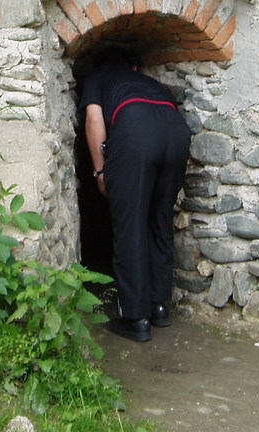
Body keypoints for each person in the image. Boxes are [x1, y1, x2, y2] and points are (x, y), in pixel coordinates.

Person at [79, 45, 191, 342]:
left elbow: (94, 120)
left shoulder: (97, 77)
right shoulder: (149, 83)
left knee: (131, 225)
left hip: (137, 131)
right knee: (159, 219)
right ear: (133, 68)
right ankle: (158, 307)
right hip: (176, 132)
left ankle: (135, 317)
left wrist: (100, 171)